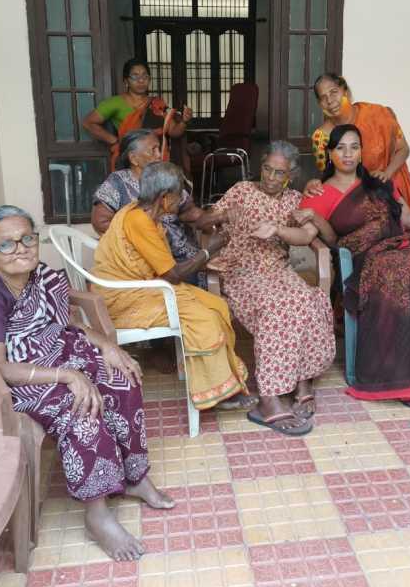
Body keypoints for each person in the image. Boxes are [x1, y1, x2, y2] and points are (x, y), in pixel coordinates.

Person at [0, 205, 174, 562]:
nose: (21, 249)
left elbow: (63, 326)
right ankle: (97, 512)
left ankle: (134, 475)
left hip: (51, 354)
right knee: (80, 409)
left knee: (121, 379)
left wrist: (106, 345)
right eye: (7, 245)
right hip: (3, 375)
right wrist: (68, 376)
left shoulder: (41, 276)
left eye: (27, 238)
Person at [296, 125, 410, 408]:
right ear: (330, 153)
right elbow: (334, 241)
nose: (348, 154)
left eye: (354, 147)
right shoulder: (318, 193)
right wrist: (315, 218)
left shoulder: (379, 183)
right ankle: (398, 379)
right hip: (363, 260)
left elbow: (408, 218)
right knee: (400, 289)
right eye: (341, 148)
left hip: (399, 249)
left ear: (361, 151)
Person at [92, 162, 253, 411]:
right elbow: (173, 275)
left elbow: (164, 272)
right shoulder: (139, 221)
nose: (181, 202)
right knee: (203, 319)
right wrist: (209, 250)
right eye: (179, 196)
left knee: (217, 304)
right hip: (123, 299)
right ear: (165, 198)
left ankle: (224, 380)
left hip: (146, 288)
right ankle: (216, 392)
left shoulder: (144, 214)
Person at [209, 141, 335, 436]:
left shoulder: (294, 200)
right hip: (241, 269)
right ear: (261, 165)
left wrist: (277, 230)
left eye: (280, 173)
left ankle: (302, 379)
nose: (271, 177)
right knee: (278, 306)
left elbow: (304, 236)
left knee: (308, 298)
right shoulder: (241, 190)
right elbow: (210, 220)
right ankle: (269, 398)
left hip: (277, 268)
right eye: (267, 169)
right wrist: (222, 218)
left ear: (290, 174)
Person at [91, 129, 214, 289]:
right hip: (153, 260)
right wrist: (145, 240)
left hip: (182, 253)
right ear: (134, 158)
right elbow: (100, 222)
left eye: (159, 148)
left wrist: (212, 216)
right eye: (153, 150)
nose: (159, 155)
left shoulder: (163, 177)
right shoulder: (117, 182)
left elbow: (187, 209)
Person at [309, 73, 410, 209]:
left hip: (393, 187)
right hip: (356, 200)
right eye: (323, 98)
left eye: (334, 92)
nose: (330, 101)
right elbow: (329, 176)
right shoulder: (321, 137)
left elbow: (403, 149)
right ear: (320, 104)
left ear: (345, 91)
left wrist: (386, 174)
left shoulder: (379, 113)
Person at [82, 58, 192, 171]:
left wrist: (184, 121)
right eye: (135, 76)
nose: (141, 81)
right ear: (126, 81)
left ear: (149, 79)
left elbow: (174, 131)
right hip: (130, 160)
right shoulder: (115, 103)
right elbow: (88, 122)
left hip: (155, 160)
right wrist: (114, 141)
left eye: (145, 76)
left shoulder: (157, 103)